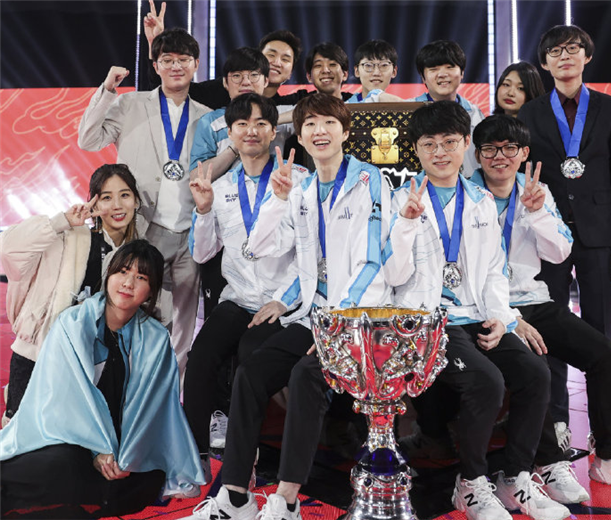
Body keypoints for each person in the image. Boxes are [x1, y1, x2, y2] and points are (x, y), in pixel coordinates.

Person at [181, 93, 390, 520]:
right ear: (300, 134)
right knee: (252, 373)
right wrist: (277, 202)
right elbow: (269, 249)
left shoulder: (370, 181)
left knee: (302, 376)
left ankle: (287, 498)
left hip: (356, 316)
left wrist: (337, 322)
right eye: (310, 124)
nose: (318, 131)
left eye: (328, 123)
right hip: (308, 313)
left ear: (345, 131)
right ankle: (235, 495)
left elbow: (374, 261)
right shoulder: (300, 188)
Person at [384, 101, 569, 520]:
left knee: (535, 373)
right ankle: (470, 483)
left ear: (465, 144)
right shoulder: (401, 201)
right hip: (429, 321)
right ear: (416, 149)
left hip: (477, 315)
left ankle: (516, 476)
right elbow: (393, 275)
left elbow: (493, 271)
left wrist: (503, 319)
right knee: (486, 381)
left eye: (450, 142)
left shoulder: (482, 200)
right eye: (429, 144)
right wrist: (406, 224)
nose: (440, 152)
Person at [470, 114, 611, 500]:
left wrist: (536, 213)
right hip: (487, 309)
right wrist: (509, 318)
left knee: (602, 353)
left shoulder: (536, 190)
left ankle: (610, 454)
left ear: (524, 153)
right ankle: (550, 463)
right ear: (477, 155)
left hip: (534, 300)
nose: (500, 157)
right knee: (534, 364)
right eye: (490, 150)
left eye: (509, 148)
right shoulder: (466, 195)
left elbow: (560, 252)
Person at [0, 240, 205, 519]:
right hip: (68, 433)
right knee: (64, 465)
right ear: (109, 275)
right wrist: (98, 448)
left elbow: (154, 410)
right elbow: (63, 400)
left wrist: (127, 455)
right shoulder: (72, 324)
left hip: (121, 442)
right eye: (123, 272)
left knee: (147, 477)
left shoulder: (156, 339)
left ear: (151, 291)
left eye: (141, 278)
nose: (128, 283)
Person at [518, 25, 611, 446]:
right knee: (549, 329)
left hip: (600, 235)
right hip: (548, 234)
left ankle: (607, 435)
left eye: (573, 49)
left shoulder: (610, 108)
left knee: (601, 332)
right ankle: (557, 423)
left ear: (587, 56)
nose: (564, 56)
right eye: (555, 51)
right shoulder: (530, 113)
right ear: (544, 63)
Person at [77, 28, 212, 380]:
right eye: (167, 60)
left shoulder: (207, 116)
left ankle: (172, 389)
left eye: (183, 60)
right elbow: (88, 139)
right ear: (156, 66)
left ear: (196, 64)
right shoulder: (130, 104)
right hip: (146, 226)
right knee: (139, 310)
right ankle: (130, 381)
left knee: (185, 320)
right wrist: (107, 90)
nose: (176, 66)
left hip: (191, 232)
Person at [184, 93, 309, 455]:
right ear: (230, 134)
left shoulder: (300, 182)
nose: (251, 131)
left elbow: (313, 255)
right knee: (201, 356)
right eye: (242, 124)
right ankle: (194, 452)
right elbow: (202, 253)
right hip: (238, 298)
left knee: (250, 355)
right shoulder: (218, 187)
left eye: (260, 124)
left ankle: (248, 451)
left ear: (273, 132)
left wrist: (283, 301)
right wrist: (203, 211)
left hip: (283, 302)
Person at [0, 164, 141, 425]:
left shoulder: (137, 255)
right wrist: (61, 222)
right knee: (22, 440)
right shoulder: (71, 237)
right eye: (106, 197)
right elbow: (8, 251)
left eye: (125, 195)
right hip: (39, 356)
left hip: (93, 367)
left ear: (137, 201)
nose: (117, 205)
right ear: (94, 203)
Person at [144, 1, 307, 108]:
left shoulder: (287, 105)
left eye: (285, 59)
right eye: (271, 55)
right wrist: (157, 45)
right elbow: (168, 91)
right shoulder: (221, 89)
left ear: (291, 72)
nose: (277, 62)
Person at [189, 47, 296, 181]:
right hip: (223, 193)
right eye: (236, 76)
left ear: (266, 81)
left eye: (254, 75)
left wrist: (271, 119)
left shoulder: (278, 113)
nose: (246, 82)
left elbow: (317, 110)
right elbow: (197, 178)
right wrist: (235, 147)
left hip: (273, 192)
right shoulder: (210, 122)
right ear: (225, 83)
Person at [408, 40, 485, 176]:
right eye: (433, 69)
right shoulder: (407, 110)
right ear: (423, 77)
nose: (442, 74)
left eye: (450, 67)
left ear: (462, 73)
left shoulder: (475, 113)